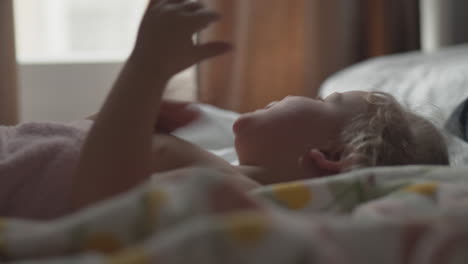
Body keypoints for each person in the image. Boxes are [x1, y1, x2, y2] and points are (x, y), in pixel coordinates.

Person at [0, 0, 449, 219]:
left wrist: (143, 72)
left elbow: (99, 200)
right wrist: (132, 124)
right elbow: (74, 151)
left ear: (330, 155)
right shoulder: (217, 168)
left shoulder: (221, 191)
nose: (299, 93)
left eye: (324, 101)